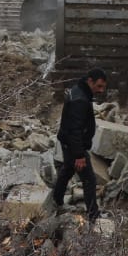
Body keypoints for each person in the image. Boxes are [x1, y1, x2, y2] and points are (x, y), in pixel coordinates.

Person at [48, 67, 108, 220]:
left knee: (67, 170)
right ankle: (93, 215)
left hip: (68, 142)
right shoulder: (80, 99)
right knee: (89, 179)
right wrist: (80, 155)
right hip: (74, 145)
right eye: (99, 86)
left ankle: (57, 200)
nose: (101, 90)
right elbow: (75, 129)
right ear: (90, 81)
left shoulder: (78, 90)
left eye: (103, 87)